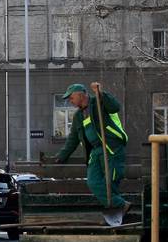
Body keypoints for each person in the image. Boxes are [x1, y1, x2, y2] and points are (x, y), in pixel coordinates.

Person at [53, 82, 130, 214]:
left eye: (71, 97)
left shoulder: (99, 103)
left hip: (111, 147)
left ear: (80, 95)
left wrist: (100, 93)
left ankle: (116, 215)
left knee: (111, 182)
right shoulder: (78, 116)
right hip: (95, 151)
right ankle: (121, 205)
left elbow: (115, 107)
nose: (70, 101)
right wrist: (61, 156)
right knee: (93, 182)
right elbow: (73, 139)